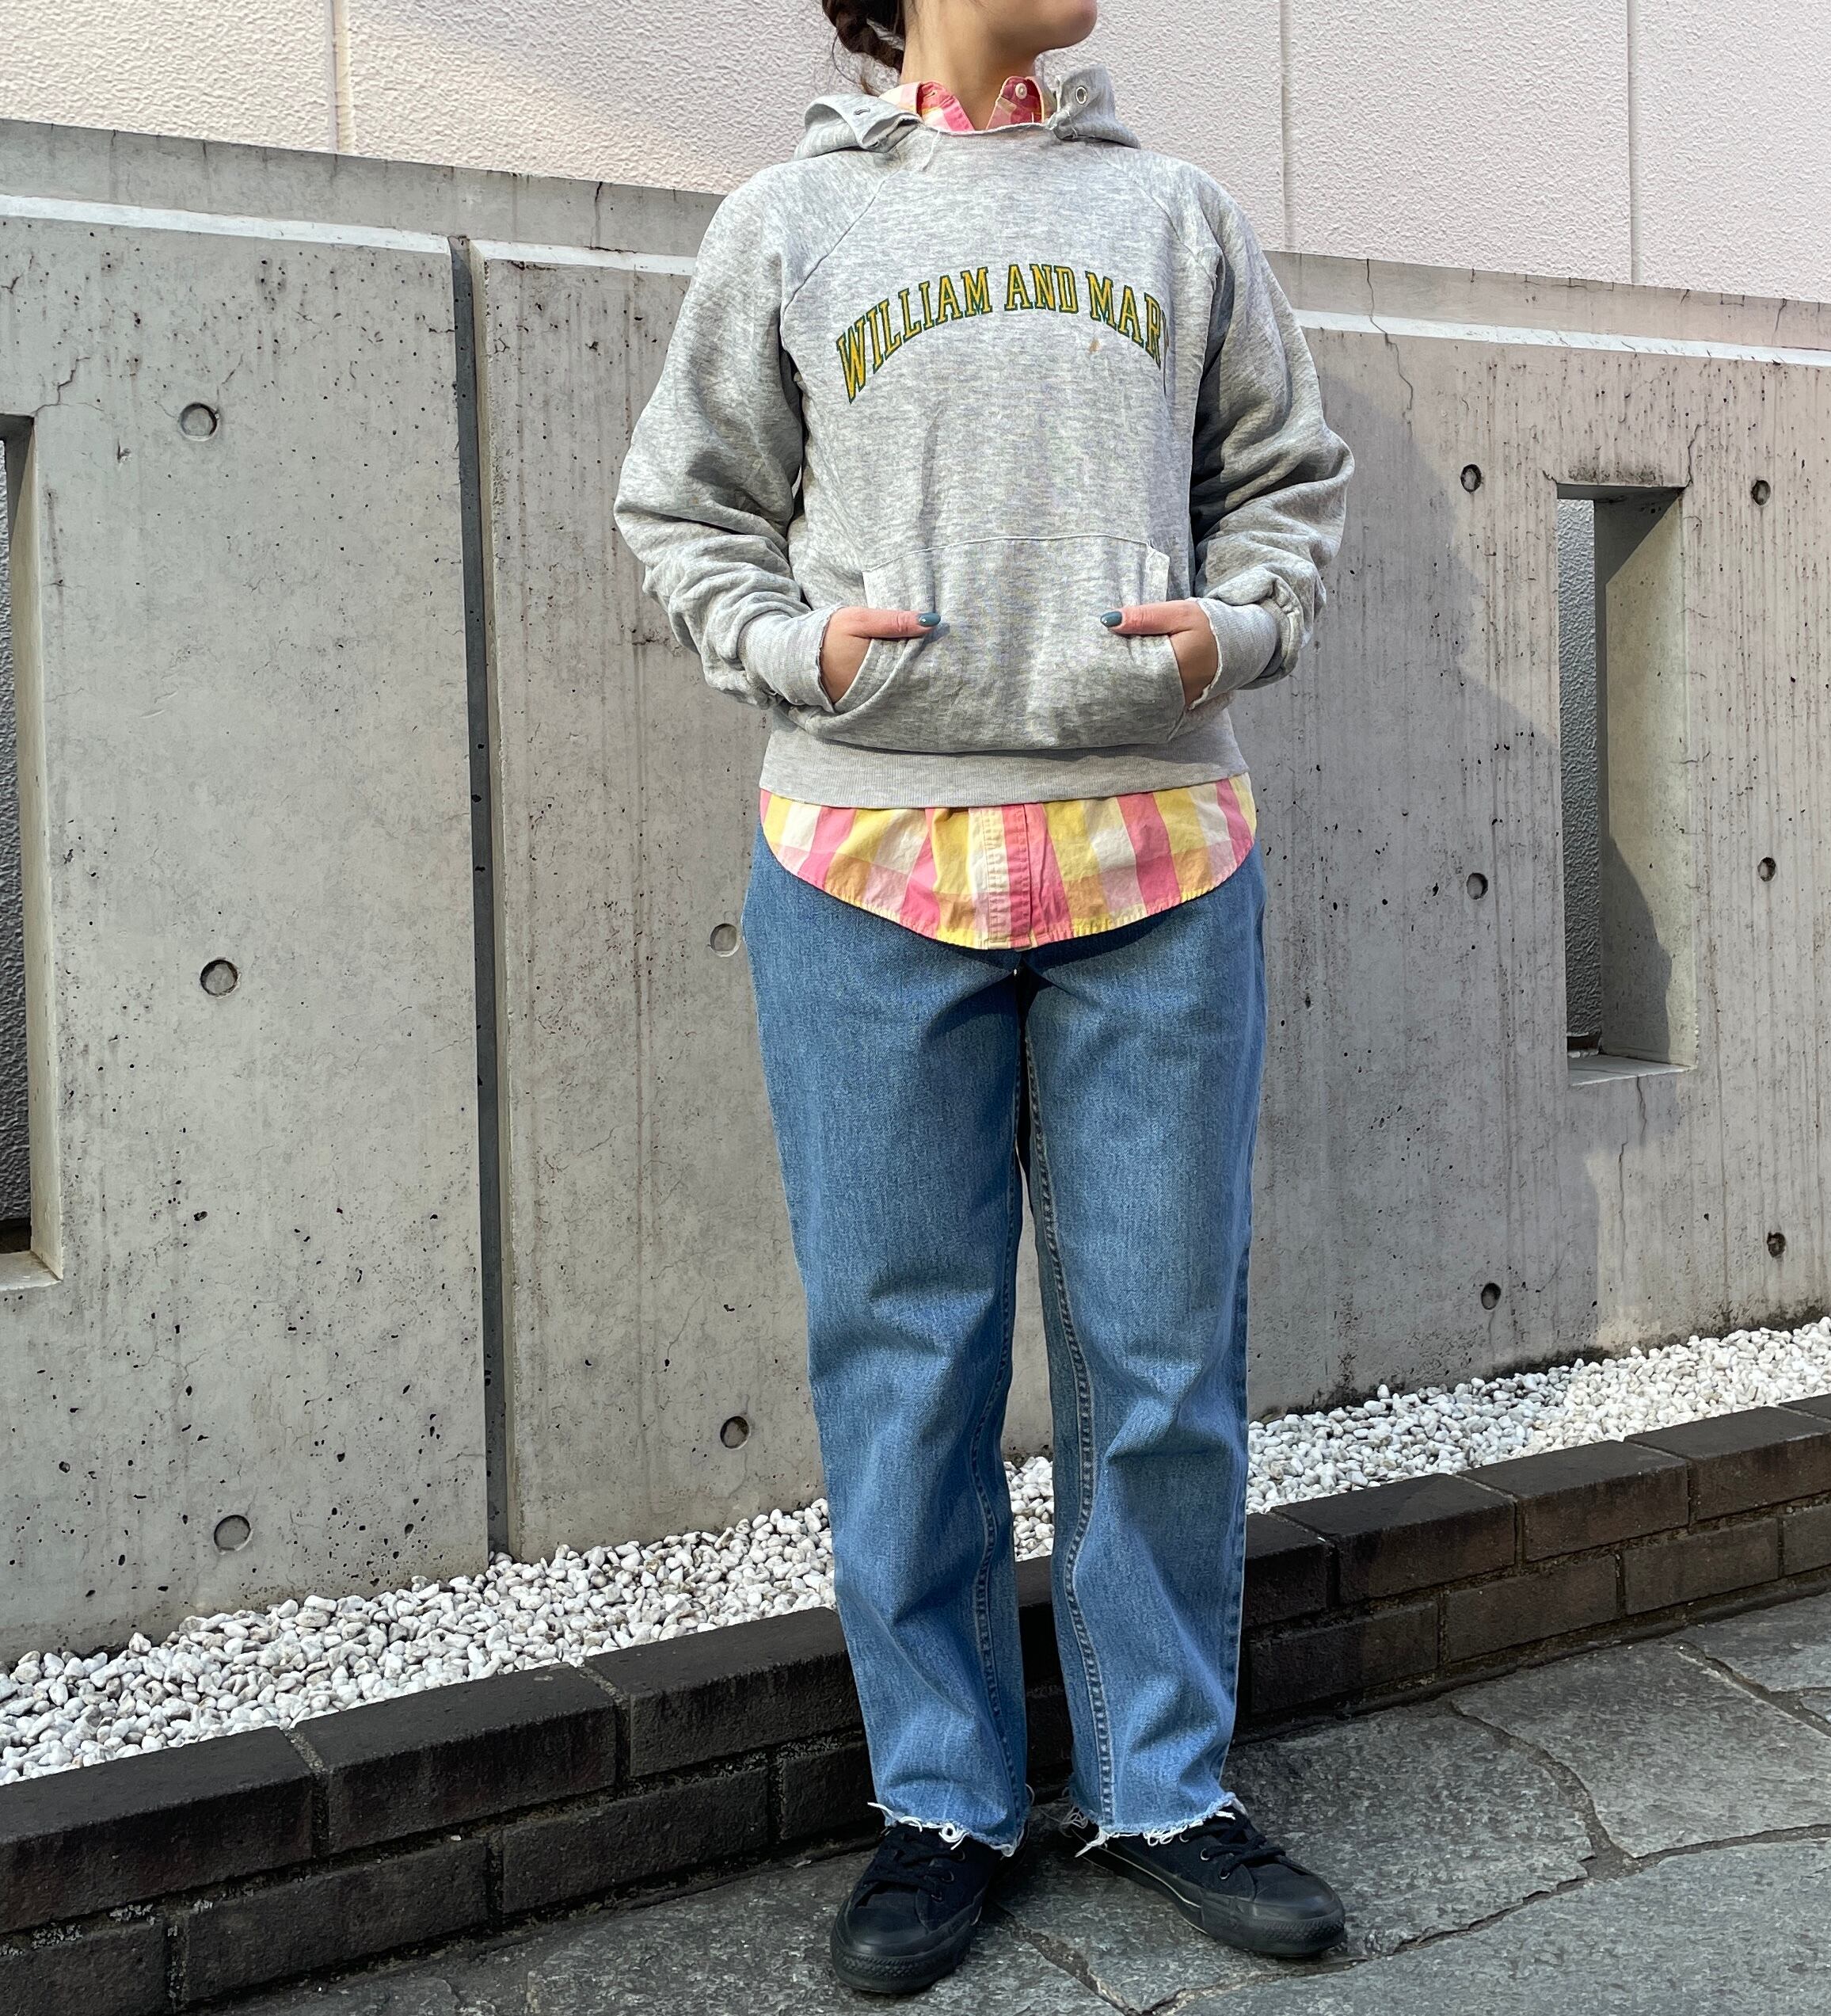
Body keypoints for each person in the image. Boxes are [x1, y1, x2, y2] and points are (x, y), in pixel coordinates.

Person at [614, 0, 1354, 1994]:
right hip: (862, 864)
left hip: (1157, 859)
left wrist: (1230, 629)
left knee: (1164, 1356)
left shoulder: (1175, 216)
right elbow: (682, 504)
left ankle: (1163, 1783)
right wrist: (795, 649)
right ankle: (940, 1799)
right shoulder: (787, 223)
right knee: (903, 1359)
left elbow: (1286, 478)